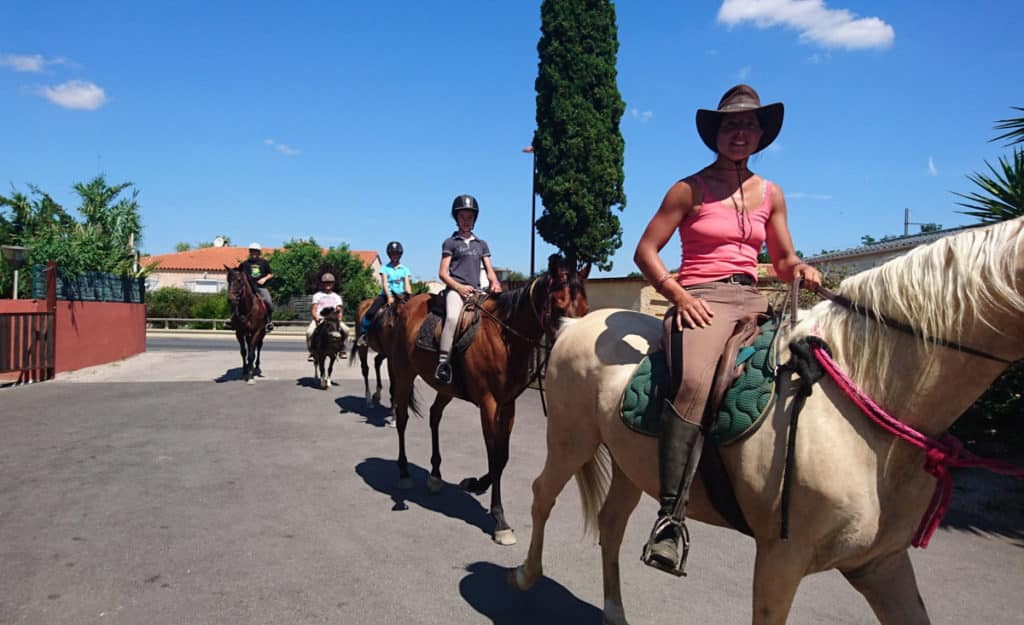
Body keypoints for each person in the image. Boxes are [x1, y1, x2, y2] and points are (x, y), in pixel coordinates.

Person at [633, 84, 822, 574]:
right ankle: (670, 519)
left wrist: (799, 268)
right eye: (731, 125)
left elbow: (780, 259)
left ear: (762, 134)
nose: (741, 133)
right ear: (716, 133)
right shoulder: (688, 189)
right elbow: (646, 251)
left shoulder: (772, 194)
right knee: (695, 382)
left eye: (750, 125)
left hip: (754, 301)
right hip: (701, 300)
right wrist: (679, 296)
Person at [434, 194, 503, 384]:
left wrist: (495, 283)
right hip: (456, 290)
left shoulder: (481, 244)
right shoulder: (451, 242)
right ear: (456, 218)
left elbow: (489, 270)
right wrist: (458, 287)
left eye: (470, 217)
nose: (466, 221)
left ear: (475, 219)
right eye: (462, 217)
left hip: (477, 292)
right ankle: (443, 364)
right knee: (452, 318)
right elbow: (442, 273)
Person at [357, 240, 413, 347]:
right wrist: (389, 297)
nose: (394, 256)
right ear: (389, 255)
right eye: (392, 254)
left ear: (400, 254)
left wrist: (410, 296)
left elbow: (407, 284)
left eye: (397, 253)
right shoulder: (385, 268)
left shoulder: (405, 269)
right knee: (370, 312)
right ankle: (363, 335)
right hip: (386, 295)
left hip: (401, 296)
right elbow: (385, 284)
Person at [237, 242, 275, 333]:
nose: (254, 253)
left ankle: (269, 322)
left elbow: (270, 274)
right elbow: (238, 274)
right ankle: (232, 320)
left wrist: (264, 279)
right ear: (249, 252)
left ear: (259, 253)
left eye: (256, 252)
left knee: (269, 302)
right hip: (248, 288)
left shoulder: (264, 262)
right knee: (235, 300)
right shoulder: (245, 264)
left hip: (261, 287)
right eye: (252, 251)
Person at [306, 272, 344, 358]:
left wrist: (339, 320)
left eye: (330, 282)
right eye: (326, 283)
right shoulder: (317, 295)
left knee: (346, 330)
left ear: (333, 284)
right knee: (309, 332)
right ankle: (312, 351)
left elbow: (339, 310)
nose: (328, 284)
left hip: (333, 320)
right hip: (321, 318)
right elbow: (313, 310)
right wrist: (316, 318)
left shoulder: (336, 297)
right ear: (322, 284)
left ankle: (342, 349)